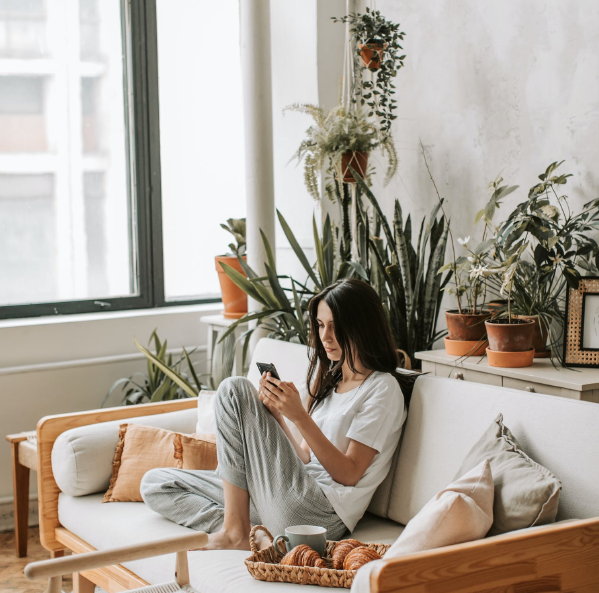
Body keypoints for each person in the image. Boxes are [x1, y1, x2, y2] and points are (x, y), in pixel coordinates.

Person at [141, 279, 416, 550]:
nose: (325, 336)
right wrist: (278, 415)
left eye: (335, 326)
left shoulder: (382, 387)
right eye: (320, 325)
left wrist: (300, 416)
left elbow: (349, 474)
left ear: (362, 326)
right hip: (284, 497)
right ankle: (253, 534)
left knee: (234, 388)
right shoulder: (331, 381)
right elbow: (305, 456)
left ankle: (234, 531)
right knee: (156, 483)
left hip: (318, 513)